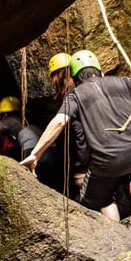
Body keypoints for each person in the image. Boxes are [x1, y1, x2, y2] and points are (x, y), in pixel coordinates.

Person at [20, 49, 131, 222]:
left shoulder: (75, 95)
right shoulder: (123, 82)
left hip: (106, 162)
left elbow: (59, 122)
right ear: (101, 70)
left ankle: (116, 236)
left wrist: (35, 154)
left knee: (94, 200)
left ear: (74, 78)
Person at [44, 53, 88, 197]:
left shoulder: (72, 93)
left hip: (80, 158)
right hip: (76, 156)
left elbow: (79, 131)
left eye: (54, 76)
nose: (53, 80)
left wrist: (80, 167)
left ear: (59, 73)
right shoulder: (78, 90)